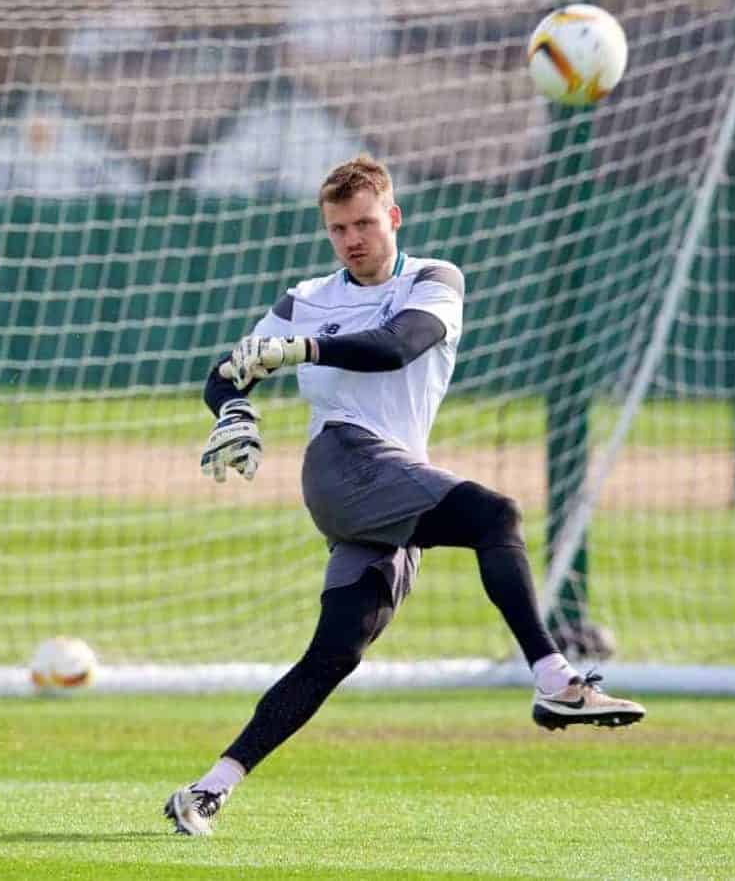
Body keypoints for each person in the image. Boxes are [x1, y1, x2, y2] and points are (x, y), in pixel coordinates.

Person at [165, 155, 644, 837]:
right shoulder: (305, 299)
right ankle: (555, 680)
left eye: (364, 222)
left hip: (388, 479)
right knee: (495, 515)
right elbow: (227, 371)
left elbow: (398, 346)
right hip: (343, 464)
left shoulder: (433, 279)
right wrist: (231, 408)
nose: (352, 238)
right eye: (338, 228)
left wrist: (302, 351)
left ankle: (208, 789)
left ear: (393, 217)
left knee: (334, 654)